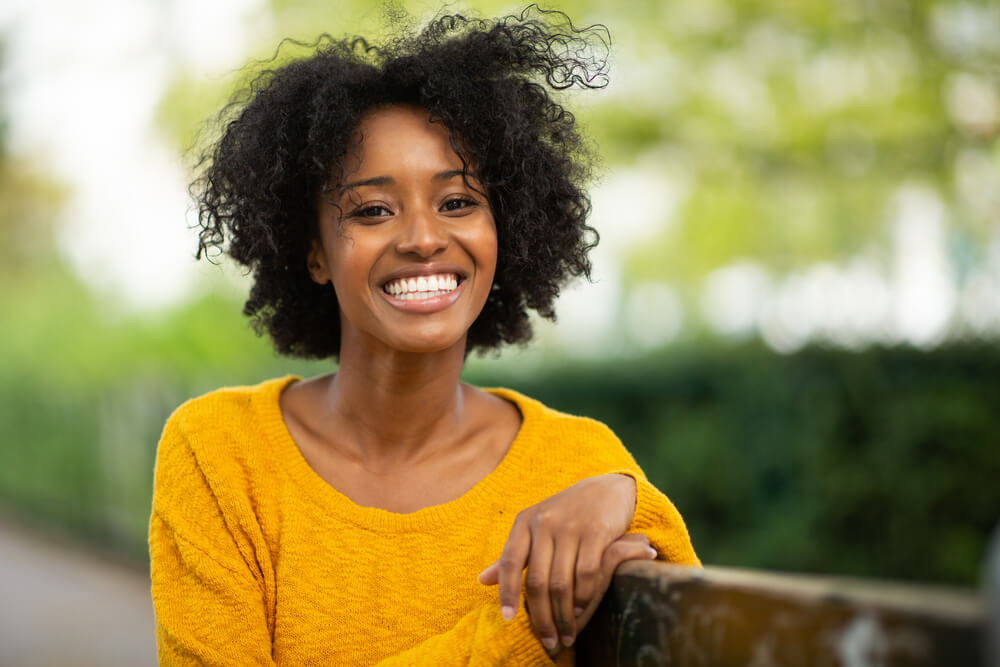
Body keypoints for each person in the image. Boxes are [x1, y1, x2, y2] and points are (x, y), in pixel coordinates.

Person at [149, 6, 698, 665]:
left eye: (458, 201)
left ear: (506, 231)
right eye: (373, 209)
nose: (424, 238)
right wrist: (526, 629)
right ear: (314, 252)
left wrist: (630, 499)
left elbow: (693, 629)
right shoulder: (220, 455)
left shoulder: (579, 466)